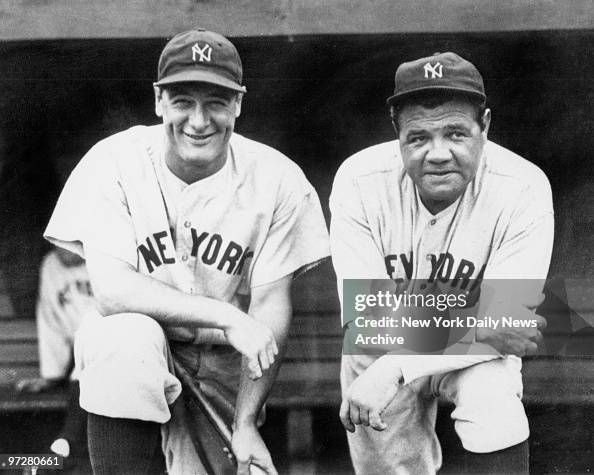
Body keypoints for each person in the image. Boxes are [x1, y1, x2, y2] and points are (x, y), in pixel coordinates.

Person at [44, 29, 329, 475]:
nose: (199, 121)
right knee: (122, 338)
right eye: (182, 101)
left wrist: (247, 421)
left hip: (222, 360)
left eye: (216, 101)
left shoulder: (277, 180)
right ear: (158, 100)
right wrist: (230, 316)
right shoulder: (114, 161)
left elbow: (272, 307)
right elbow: (113, 292)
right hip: (142, 343)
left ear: (238, 104)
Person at [330, 52, 553, 474]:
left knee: (492, 401)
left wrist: (400, 363)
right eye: (418, 138)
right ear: (396, 133)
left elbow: (509, 324)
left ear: (484, 126)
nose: (438, 154)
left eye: (455, 133)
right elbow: (367, 319)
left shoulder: (522, 186)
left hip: (456, 355)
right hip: (383, 348)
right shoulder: (359, 180)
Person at [15, 247, 98, 465]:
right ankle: (66, 447)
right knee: (85, 356)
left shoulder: (104, 254)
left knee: (93, 338)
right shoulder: (51, 265)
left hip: (112, 347)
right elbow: (50, 320)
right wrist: (51, 374)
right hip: (79, 355)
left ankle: (67, 443)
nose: (62, 251)